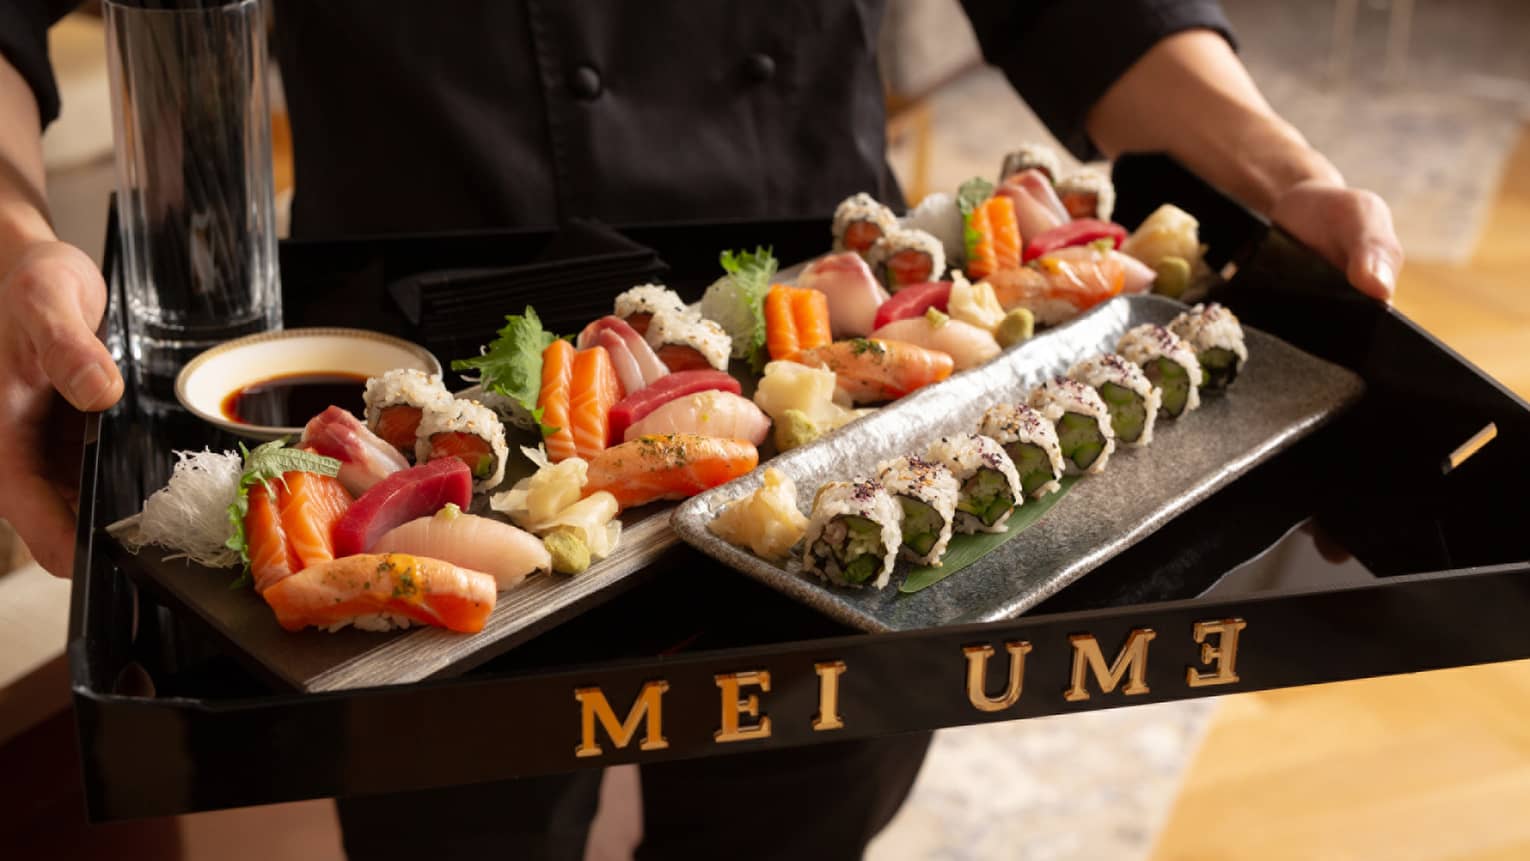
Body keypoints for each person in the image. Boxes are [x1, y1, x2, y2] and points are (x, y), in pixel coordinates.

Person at [0, 2, 1403, 858]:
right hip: (416, 342)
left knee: (797, 824)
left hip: (824, 362)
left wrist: (1280, 169)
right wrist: (12, 240)